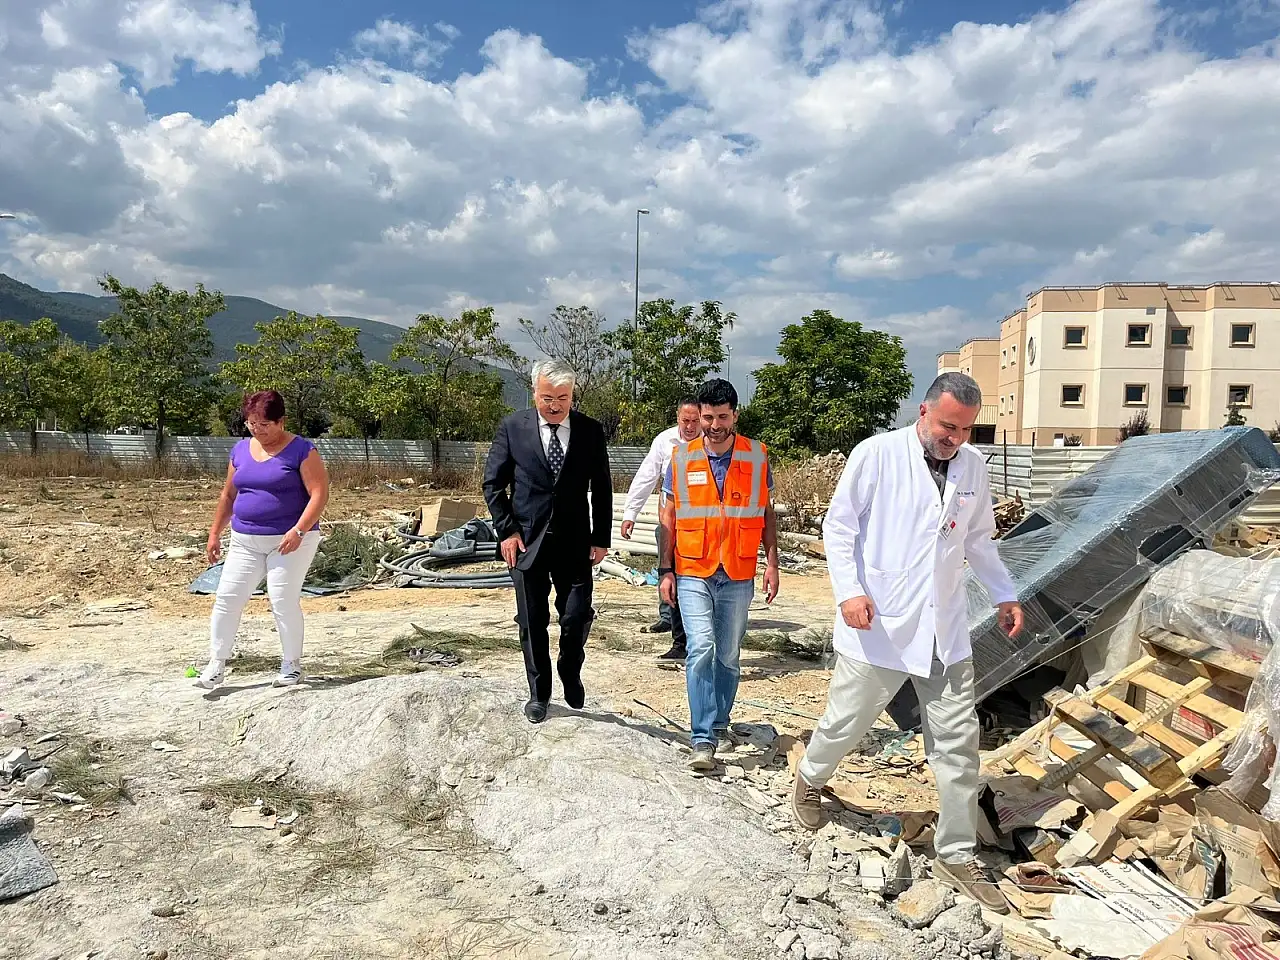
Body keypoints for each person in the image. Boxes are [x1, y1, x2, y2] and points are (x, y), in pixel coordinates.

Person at [790, 372, 1024, 914]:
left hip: (943, 629)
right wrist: (848, 592)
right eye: (947, 426)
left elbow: (979, 539)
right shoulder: (876, 454)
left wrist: (1004, 594)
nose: (955, 439)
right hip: (879, 622)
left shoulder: (973, 467)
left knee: (958, 744)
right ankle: (808, 779)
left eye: (965, 429)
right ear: (924, 411)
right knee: (847, 721)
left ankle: (957, 852)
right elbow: (840, 527)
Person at [658, 379, 780, 771]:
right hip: (693, 567)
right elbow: (668, 518)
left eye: (721, 417)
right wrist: (665, 570)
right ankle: (702, 738)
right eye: (707, 417)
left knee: (727, 655)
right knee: (701, 648)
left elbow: (765, 514)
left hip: (739, 570)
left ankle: (721, 722)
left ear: (735, 416)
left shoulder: (758, 456)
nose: (713, 425)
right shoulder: (681, 458)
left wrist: (772, 563)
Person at [483, 359, 613, 723]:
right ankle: (539, 693)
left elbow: (601, 487)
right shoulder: (513, 428)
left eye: (562, 397)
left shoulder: (589, 430)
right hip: (526, 543)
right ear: (534, 392)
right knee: (532, 620)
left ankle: (570, 668)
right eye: (546, 397)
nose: (554, 405)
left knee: (576, 615)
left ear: (572, 395)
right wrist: (507, 530)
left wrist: (601, 537)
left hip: (576, 541)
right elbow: (493, 484)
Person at [197, 390, 330, 689]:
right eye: (251, 424)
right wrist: (215, 532)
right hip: (245, 540)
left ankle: (291, 666)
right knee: (227, 598)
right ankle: (216, 664)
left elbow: (319, 494)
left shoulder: (302, 451)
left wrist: (299, 530)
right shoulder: (240, 450)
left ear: (281, 421)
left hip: (290, 540)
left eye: (264, 424)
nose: (257, 430)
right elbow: (228, 494)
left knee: (282, 599)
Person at [620, 398, 703, 660]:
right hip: (671, 523)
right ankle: (673, 627)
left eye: (695, 421)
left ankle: (698, 635)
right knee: (668, 571)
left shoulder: (713, 442)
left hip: (705, 527)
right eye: (685, 421)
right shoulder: (665, 442)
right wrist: (630, 513)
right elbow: (646, 476)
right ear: (677, 418)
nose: (690, 427)